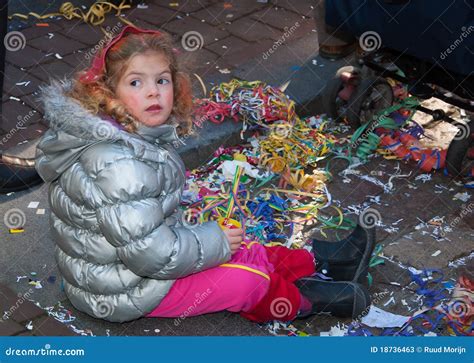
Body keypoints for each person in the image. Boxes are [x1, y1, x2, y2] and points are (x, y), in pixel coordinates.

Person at [36, 25, 373, 324]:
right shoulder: (117, 164)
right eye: (136, 82)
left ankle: (323, 263)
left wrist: (217, 242)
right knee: (247, 280)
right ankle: (305, 301)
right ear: (107, 94)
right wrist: (213, 242)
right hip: (123, 290)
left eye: (162, 80)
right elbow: (151, 255)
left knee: (242, 246)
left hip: (126, 270)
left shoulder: (128, 136)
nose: (153, 91)